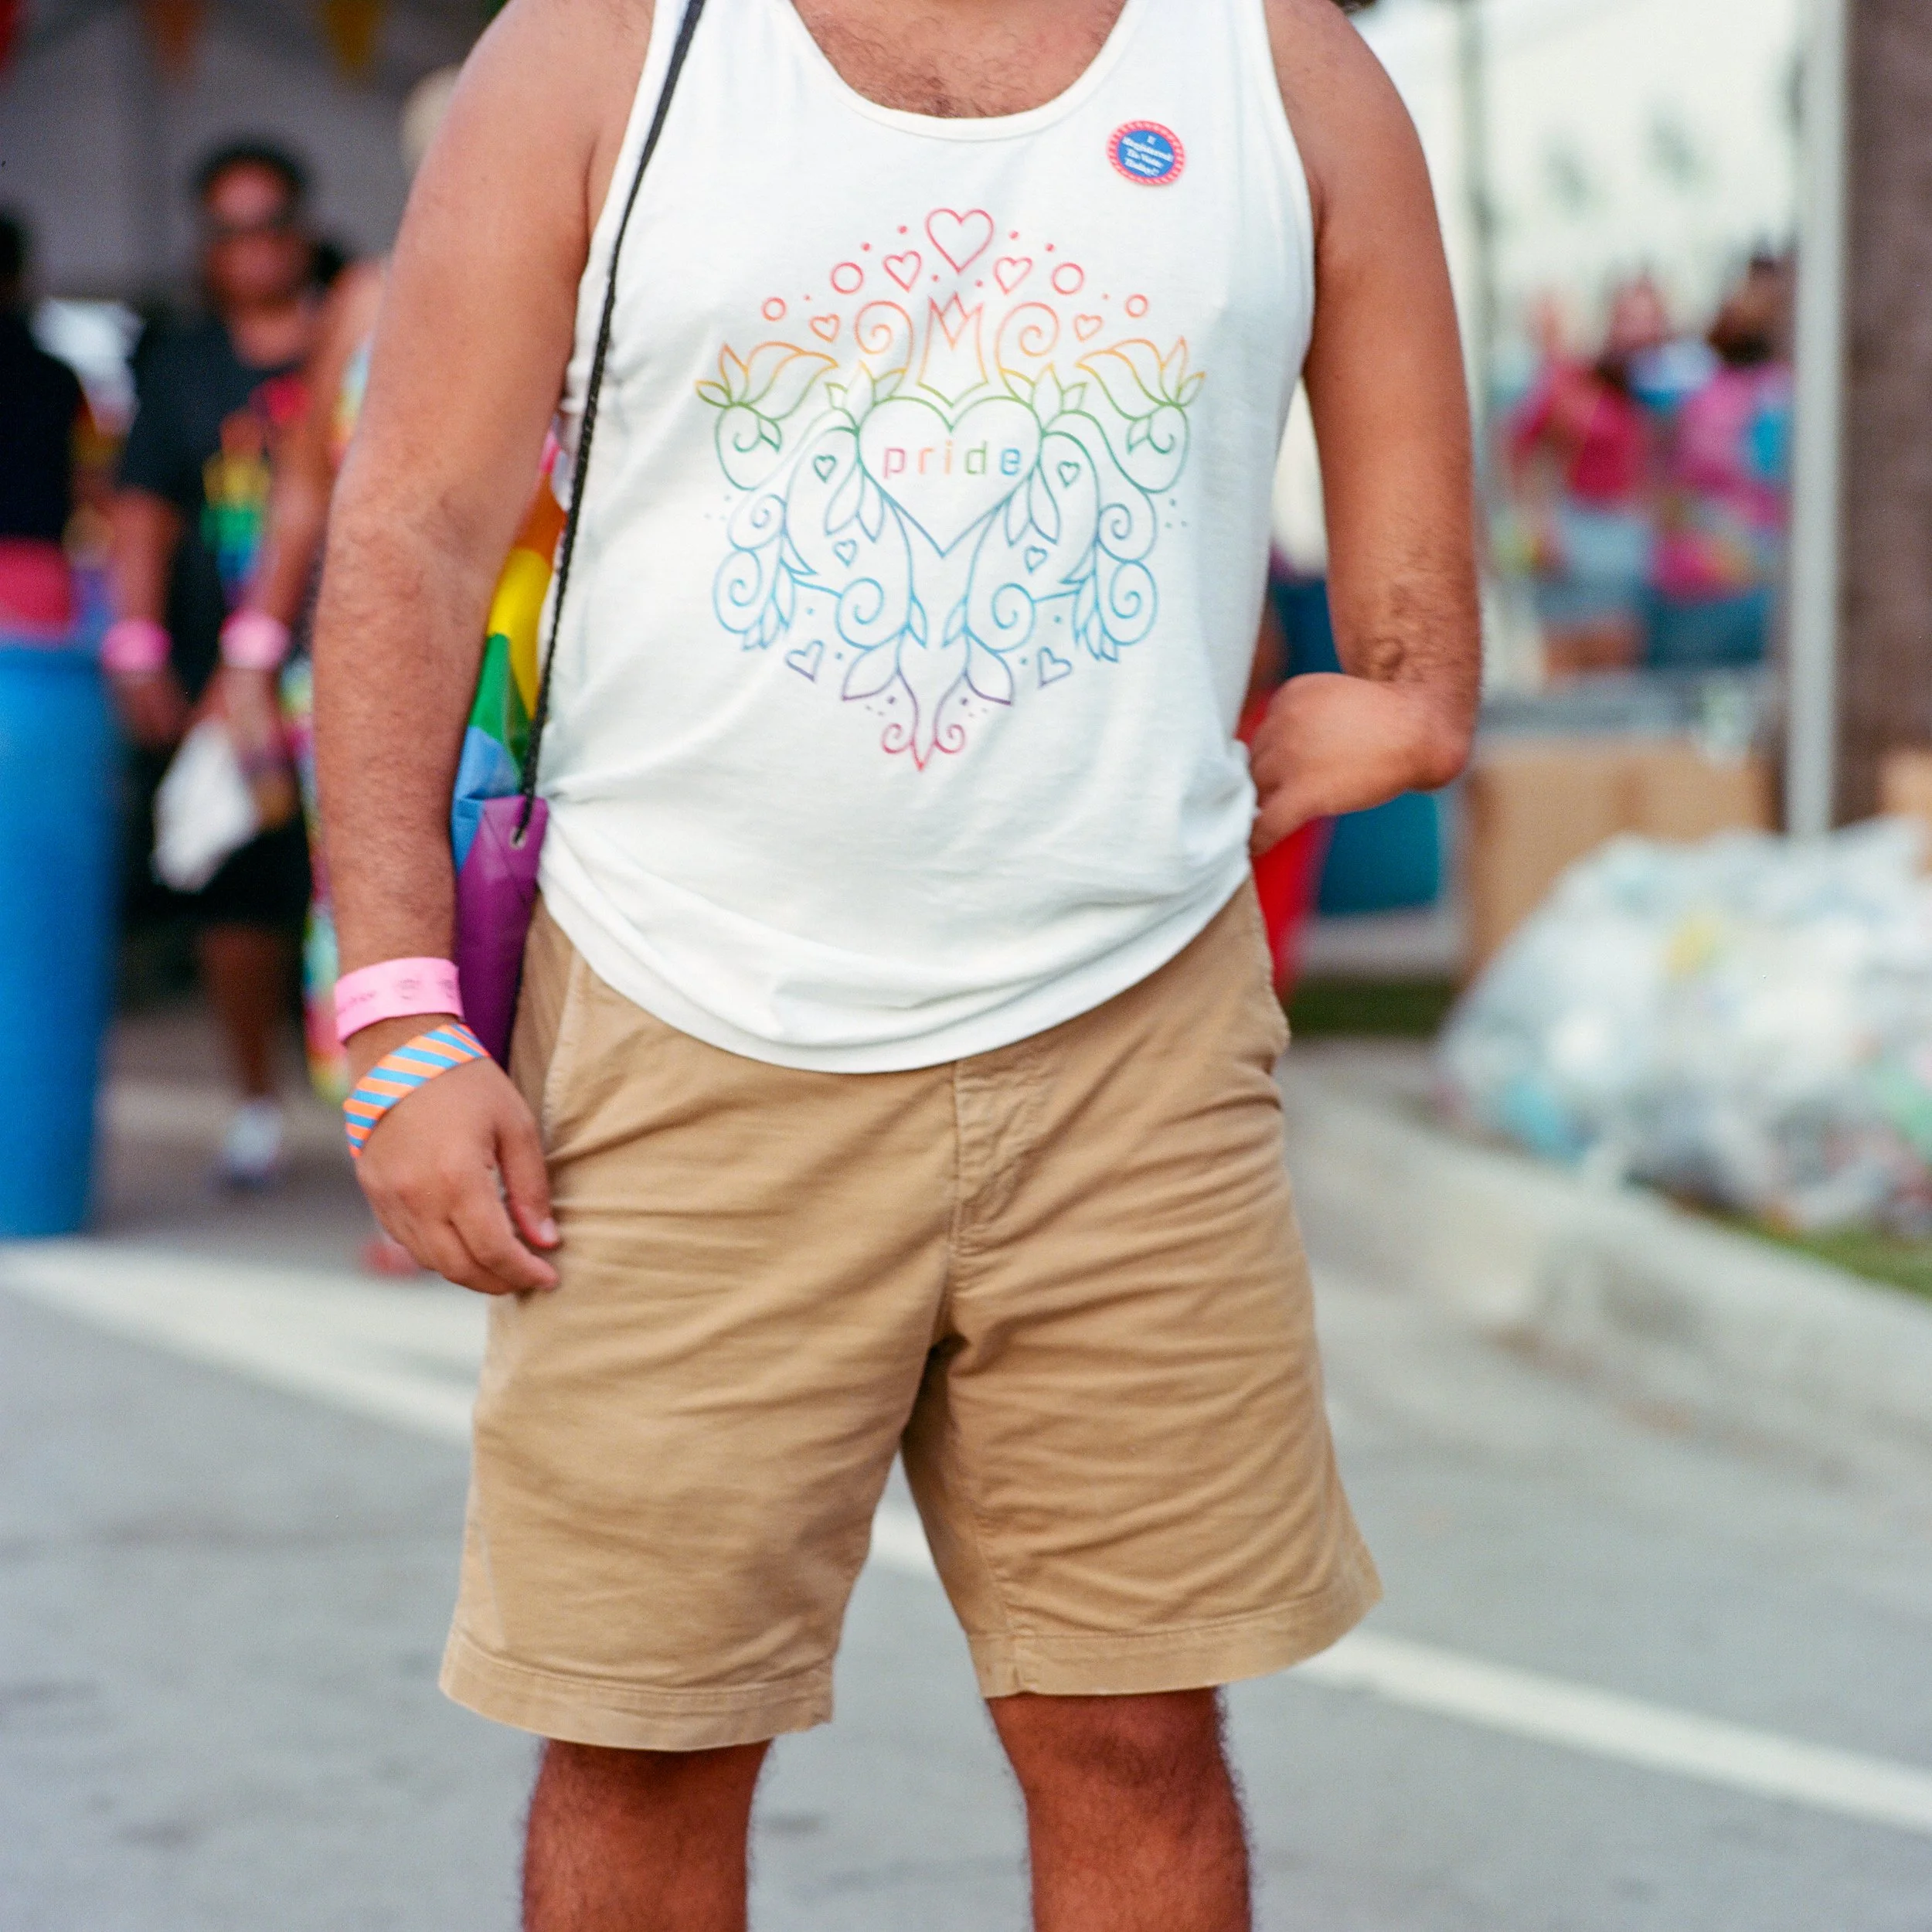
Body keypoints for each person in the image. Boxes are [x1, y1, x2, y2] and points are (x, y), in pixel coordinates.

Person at [315, 3, 1480, 1927]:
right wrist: (398, 1011)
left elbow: (1414, 569)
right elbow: (411, 527)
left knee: (1130, 1731)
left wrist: (1416, 695)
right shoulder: (606, 46)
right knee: (643, 1739)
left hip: (1132, 1037)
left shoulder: (1277, 61)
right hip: (678, 1018)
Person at [106, 142, 320, 1187]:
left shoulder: (351, 336)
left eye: (271, 223)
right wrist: (138, 637)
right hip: (223, 680)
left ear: (302, 230)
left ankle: (384, 1115)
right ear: (208, 246)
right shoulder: (185, 365)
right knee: (236, 897)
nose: (255, 248)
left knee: (364, 892)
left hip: (341, 662)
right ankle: (256, 1105)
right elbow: (141, 507)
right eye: (232, 230)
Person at [1507, 278, 1668, 678]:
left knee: (1616, 671)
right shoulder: (1570, 381)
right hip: (1574, 533)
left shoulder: (1662, 386)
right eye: (1628, 319)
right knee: (1565, 670)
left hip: (1626, 539)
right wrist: (1538, 522)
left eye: (1648, 320)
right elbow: (1519, 449)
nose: (1637, 331)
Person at [0, 213, 86, 642]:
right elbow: (93, 479)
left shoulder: (60, 378)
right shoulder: (57, 378)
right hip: (38, 571)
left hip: (36, 566)